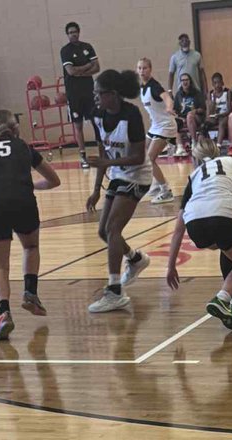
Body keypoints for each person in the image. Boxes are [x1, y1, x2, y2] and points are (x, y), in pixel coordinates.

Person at [166, 133, 232, 331]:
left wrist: (171, 266)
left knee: (228, 248)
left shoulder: (194, 176)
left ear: (195, 159)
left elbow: (178, 230)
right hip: (223, 214)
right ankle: (222, 298)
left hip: (195, 225)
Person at [0, 109, 60, 341]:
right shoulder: (25, 148)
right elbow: (55, 180)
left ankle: (4, 314)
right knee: (30, 247)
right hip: (22, 201)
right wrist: (33, 187)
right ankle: (30, 293)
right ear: (16, 129)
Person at [86, 68, 154, 313]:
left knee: (114, 229)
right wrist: (96, 189)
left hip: (138, 175)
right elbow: (103, 152)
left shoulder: (131, 115)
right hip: (118, 174)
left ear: (113, 94)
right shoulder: (96, 114)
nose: (96, 97)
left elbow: (137, 157)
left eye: (99, 93)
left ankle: (115, 291)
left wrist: (108, 164)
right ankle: (135, 259)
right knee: (104, 232)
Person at [60, 21, 100, 169]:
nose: (73, 34)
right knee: (78, 125)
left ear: (79, 32)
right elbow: (71, 71)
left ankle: (102, 152)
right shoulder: (65, 51)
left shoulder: (87, 47)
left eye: (75, 31)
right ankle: (83, 155)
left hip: (89, 91)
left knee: (96, 121)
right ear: (67, 35)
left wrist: (81, 71)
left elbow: (97, 67)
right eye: (70, 32)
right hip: (74, 93)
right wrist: (87, 66)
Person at [137, 58, 177, 203]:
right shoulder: (142, 87)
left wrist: (169, 107)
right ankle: (155, 184)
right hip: (156, 126)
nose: (142, 71)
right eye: (140, 68)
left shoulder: (154, 86)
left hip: (166, 126)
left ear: (150, 69)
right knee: (142, 155)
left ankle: (166, 191)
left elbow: (167, 97)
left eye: (145, 68)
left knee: (149, 159)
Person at [173, 73, 206, 153]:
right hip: (182, 118)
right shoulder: (178, 95)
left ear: (190, 81)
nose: (185, 82)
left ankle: (194, 143)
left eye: (186, 80)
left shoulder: (197, 93)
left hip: (197, 117)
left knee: (189, 116)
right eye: (182, 80)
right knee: (172, 121)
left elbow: (203, 109)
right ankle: (180, 147)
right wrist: (178, 117)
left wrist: (194, 111)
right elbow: (175, 110)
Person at [207, 73, 230, 143]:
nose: (217, 85)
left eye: (219, 82)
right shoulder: (210, 93)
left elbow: (229, 110)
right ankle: (206, 145)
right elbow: (210, 112)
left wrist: (220, 115)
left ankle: (218, 145)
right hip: (214, 116)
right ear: (212, 84)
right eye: (215, 83)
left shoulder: (227, 92)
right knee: (204, 125)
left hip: (224, 115)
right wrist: (213, 100)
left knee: (222, 123)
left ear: (222, 82)